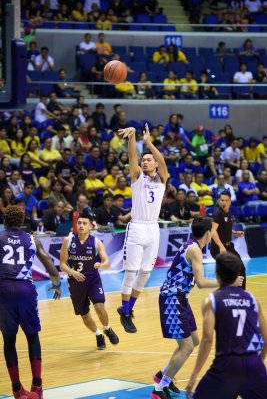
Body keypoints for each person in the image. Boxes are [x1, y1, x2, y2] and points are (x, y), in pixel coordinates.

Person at [151, 217, 230, 399]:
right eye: (213, 231)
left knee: (193, 341)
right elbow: (201, 283)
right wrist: (225, 283)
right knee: (186, 346)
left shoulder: (192, 245)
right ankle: (158, 389)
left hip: (180, 298)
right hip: (172, 298)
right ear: (208, 233)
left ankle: (163, 375)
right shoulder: (194, 250)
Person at [186, 252, 267, 399]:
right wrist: (259, 361)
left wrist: (194, 374)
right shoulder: (252, 299)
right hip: (253, 362)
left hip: (227, 364)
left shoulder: (212, 300)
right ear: (238, 274)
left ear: (217, 275)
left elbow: (207, 340)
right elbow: (266, 338)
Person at [0, 205, 61, 399]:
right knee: (32, 336)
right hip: (25, 290)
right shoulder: (32, 240)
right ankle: (37, 386)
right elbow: (50, 265)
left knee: (9, 340)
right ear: (22, 221)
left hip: (3, 291)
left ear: (5, 221)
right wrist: (57, 284)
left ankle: (17, 390)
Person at [117, 123, 168, 333]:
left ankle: (127, 308)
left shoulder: (163, 178)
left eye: (148, 160)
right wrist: (133, 138)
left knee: (146, 272)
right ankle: (126, 313)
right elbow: (131, 158)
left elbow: (163, 161)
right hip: (137, 227)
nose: (145, 162)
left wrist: (148, 142)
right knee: (130, 272)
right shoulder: (137, 177)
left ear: (155, 163)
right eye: (143, 160)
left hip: (153, 228)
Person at [60, 212, 119, 350]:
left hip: (93, 279)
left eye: (84, 223)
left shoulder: (96, 242)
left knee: (99, 307)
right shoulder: (68, 241)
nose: (81, 225)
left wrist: (101, 265)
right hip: (75, 282)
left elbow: (107, 262)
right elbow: (62, 264)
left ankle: (107, 328)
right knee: (85, 315)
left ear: (91, 226)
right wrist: (73, 272)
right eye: (79, 222)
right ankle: (98, 334)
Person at [211, 190, 246, 288]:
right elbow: (213, 231)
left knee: (241, 268)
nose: (224, 202)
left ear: (230, 201)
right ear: (219, 201)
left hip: (229, 247)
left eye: (226, 200)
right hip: (218, 249)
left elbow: (225, 227)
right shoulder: (218, 213)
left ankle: (241, 291)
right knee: (229, 272)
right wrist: (221, 247)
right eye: (222, 200)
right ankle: (226, 294)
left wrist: (235, 232)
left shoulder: (229, 213)